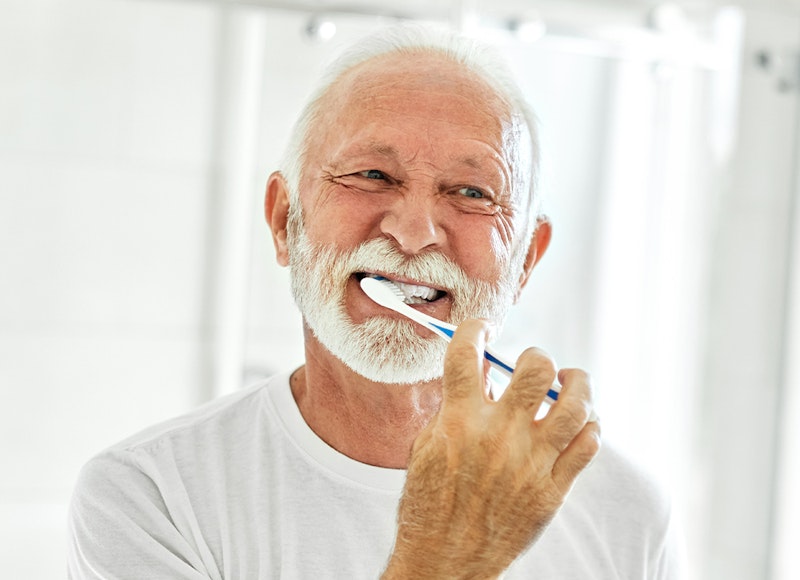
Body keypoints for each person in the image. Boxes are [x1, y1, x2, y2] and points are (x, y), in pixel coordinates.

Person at [67, 24, 684, 579]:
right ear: (285, 222)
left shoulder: (626, 512)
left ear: (526, 261)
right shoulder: (149, 498)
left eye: (471, 191)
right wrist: (445, 560)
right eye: (371, 176)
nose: (414, 233)